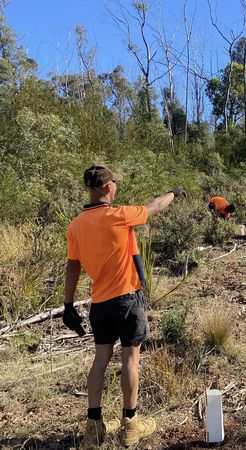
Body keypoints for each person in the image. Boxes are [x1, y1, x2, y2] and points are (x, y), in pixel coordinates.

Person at [62, 165, 186, 449]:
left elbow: (73, 264)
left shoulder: (76, 225)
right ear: (107, 188)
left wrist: (68, 304)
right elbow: (154, 206)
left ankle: (93, 428)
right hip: (127, 300)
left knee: (100, 359)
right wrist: (174, 193)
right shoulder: (119, 216)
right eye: (114, 183)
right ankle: (131, 425)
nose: (116, 186)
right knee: (130, 359)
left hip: (100, 304)